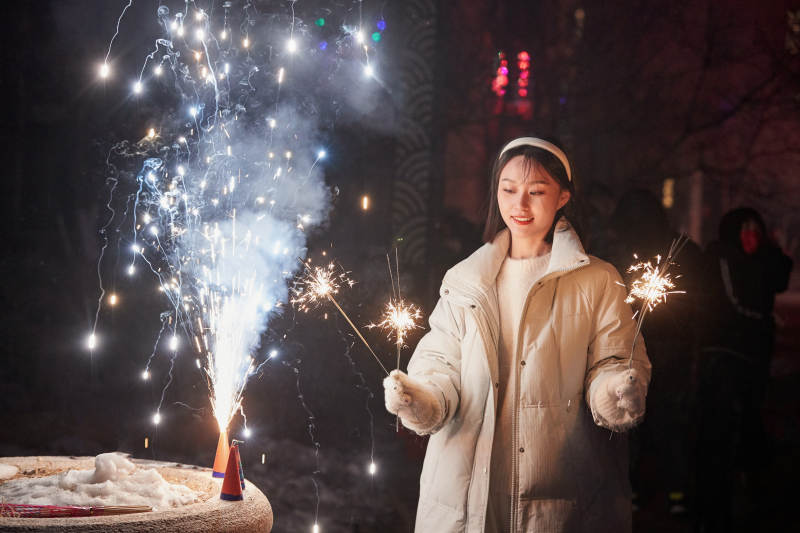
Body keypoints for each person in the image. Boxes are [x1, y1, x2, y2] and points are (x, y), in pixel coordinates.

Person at [383, 137, 652, 532]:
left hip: (561, 498)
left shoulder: (597, 280)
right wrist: (418, 398)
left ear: (563, 196)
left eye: (536, 192)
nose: (519, 205)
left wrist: (616, 391)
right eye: (508, 190)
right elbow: (440, 364)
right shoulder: (465, 279)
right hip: (466, 491)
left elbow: (614, 363)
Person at [602, 189, 705, 515]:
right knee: (662, 422)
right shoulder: (677, 249)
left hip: (641, 348)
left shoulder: (617, 250)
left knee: (634, 422)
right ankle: (671, 494)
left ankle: (640, 493)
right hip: (660, 347)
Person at [695, 207, 793, 533]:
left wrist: (771, 253)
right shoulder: (722, 260)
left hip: (752, 358)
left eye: (756, 231)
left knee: (751, 424)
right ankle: (718, 506)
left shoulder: (759, 263)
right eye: (745, 230)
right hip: (723, 355)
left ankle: (750, 497)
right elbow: (739, 307)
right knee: (722, 433)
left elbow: (775, 282)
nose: (751, 237)